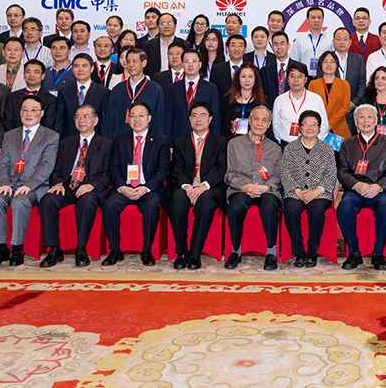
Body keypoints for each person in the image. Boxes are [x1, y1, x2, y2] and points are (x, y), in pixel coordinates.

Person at [0, 96, 59, 267]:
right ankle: (1, 249)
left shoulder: (50, 136)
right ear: (20, 113)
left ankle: (17, 249)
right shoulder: (10, 135)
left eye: (33, 110)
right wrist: (4, 183)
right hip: (11, 184)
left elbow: (46, 166)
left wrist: (28, 185)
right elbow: (2, 163)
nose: (28, 113)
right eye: (25, 109)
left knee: (19, 202)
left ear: (41, 113)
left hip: (36, 186)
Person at [38, 104, 113, 268]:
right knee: (47, 200)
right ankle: (54, 249)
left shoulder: (106, 144)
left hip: (90, 187)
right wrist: (57, 183)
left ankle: (81, 249)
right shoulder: (66, 143)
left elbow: (108, 174)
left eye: (86, 116)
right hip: (67, 186)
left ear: (95, 121)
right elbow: (56, 169)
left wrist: (91, 185)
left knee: (86, 201)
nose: (81, 120)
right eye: (77, 117)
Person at [101, 102, 170, 267]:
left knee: (152, 205)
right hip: (124, 188)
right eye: (133, 116)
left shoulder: (161, 140)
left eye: (141, 115)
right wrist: (122, 188)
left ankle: (147, 250)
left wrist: (145, 188)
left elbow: (163, 169)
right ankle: (115, 250)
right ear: (128, 119)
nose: (137, 119)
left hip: (148, 188)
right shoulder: (119, 140)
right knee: (109, 204)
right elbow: (113, 168)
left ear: (149, 118)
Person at [336, 105, 386, 271]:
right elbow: (342, 171)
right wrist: (356, 185)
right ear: (356, 122)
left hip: (379, 191)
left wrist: (378, 186)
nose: (366, 120)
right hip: (355, 190)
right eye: (361, 117)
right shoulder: (348, 144)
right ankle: (354, 252)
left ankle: (378, 254)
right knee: (344, 208)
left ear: (376, 121)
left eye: (369, 117)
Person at [167, 102, 228, 270]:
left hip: (209, 187)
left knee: (206, 204)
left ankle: (194, 253)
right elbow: (176, 169)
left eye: (203, 115)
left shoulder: (220, 142)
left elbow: (221, 169)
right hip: (185, 187)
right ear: (189, 119)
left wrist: (203, 187)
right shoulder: (180, 142)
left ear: (210, 119)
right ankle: (182, 252)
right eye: (194, 116)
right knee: (176, 204)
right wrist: (188, 187)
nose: (198, 119)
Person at [224, 106, 283, 270]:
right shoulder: (234, 144)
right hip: (241, 188)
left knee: (269, 205)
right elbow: (229, 174)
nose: (259, 123)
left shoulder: (275, 148)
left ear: (269, 124)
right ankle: (236, 251)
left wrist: (267, 187)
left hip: (267, 189)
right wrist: (244, 187)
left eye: (264, 120)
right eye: (256, 119)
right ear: (249, 121)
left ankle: (271, 251)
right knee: (236, 206)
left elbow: (279, 176)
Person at [281, 110, 337, 268]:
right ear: (299, 127)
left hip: (320, 193)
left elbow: (331, 174)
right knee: (290, 209)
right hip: (295, 192)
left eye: (314, 124)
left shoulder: (327, 149)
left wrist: (317, 191)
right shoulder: (290, 148)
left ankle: (312, 252)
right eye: (306, 124)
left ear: (319, 128)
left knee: (316, 210)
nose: (310, 128)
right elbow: (285, 172)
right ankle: (299, 252)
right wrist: (296, 190)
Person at [104, 48, 164, 139]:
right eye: (128, 61)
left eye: (134, 61)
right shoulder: (117, 89)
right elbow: (110, 120)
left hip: (146, 140)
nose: (131, 65)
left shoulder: (155, 89)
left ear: (144, 63)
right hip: (120, 139)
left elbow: (159, 121)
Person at [165, 50, 221, 141]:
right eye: (187, 61)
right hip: (178, 139)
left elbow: (215, 119)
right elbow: (168, 118)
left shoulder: (211, 88)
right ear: (182, 64)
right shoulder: (173, 88)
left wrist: (214, 142)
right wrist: (169, 144)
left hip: (203, 138)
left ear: (200, 64)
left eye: (194, 61)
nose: (190, 65)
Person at [272, 63, 329, 145]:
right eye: (292, 76)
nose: (296, 80)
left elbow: (324, 125)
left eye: (300, 76)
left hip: (310, 146)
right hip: (286, 146)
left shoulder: (316, 99)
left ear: (306, 79)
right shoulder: (279, 100)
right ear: (287, 79)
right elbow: (276, 127)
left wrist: (314, 144)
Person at [57, 54, 109, 139]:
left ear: (92, 69)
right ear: (72, 69)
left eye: (84, 66)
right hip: (69, 139)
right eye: (76, 66)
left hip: (94, 140)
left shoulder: (103, 92)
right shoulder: (64, 91)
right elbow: (59, 121)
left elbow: (104, 122)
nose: (80, 69)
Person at [3, 60, 58, 133]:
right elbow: (7, 121)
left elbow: (49, 123)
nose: (31, 75)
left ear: (43, 76)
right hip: (15, 137)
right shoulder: (12, 97)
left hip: (41, 138)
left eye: (36, 72)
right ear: (24, 75)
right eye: (28, 72)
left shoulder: (50, 99)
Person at [308, 51, 352, 139]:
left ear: (337, 65)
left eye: (332, 62)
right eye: (325, 61)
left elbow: (345, 108)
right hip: (318, 128)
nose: (329, 64)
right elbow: (311, 107)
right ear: (320, 64)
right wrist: (323, 125)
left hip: (339, 127)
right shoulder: (313, 84)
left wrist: (329, 124)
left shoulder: (344, 85)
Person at [320, 27, 365, 112]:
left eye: (345, 39)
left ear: (350, 42)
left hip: (352, 109)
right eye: (338, 39)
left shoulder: (358, 59)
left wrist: (354, 103)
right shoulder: (325, 59)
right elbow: (320, 82)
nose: (342, 42)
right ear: (333, 42)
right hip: (330, 108)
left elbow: (362, 84)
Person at [222, 63, 266, 138]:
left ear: (255, 79)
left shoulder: (263, 100)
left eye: (250, 76)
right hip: (232, 141)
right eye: (243, 76)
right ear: (238, 78)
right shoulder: (228, 98)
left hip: (254, 141)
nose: (247, 80)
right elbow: (224, 125)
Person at [262, 31, 300, 107]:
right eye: (276, 44)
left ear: (288, 46)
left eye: (282, 44)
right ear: (272, 47)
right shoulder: (265, 70)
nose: (279, 47)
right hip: (272, 109)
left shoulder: (299, 68)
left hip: (294, 108)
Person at [144, 13, 187, 77]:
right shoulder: (148, 45)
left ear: (175, 26)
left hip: (178, 80)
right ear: (158, 26)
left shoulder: (185, 44)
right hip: (154, 81)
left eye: (169, 23)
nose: (166, 26)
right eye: (163, 24)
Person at [290, 6, 330, 72]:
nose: (316, 20)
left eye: (319, 17)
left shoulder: (330, 39)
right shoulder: (300, 39)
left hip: (324, 75)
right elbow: (294, 60)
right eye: (313, 17)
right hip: (305, 76)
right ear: (307, 20)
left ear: (323, 20)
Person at [210, 34, 249, 101]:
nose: (236, 49)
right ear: (227, 49)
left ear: (245, 49)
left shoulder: (252, 69)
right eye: (233, 45)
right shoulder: (217, 70)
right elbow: (212, 94)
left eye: (240, 46)